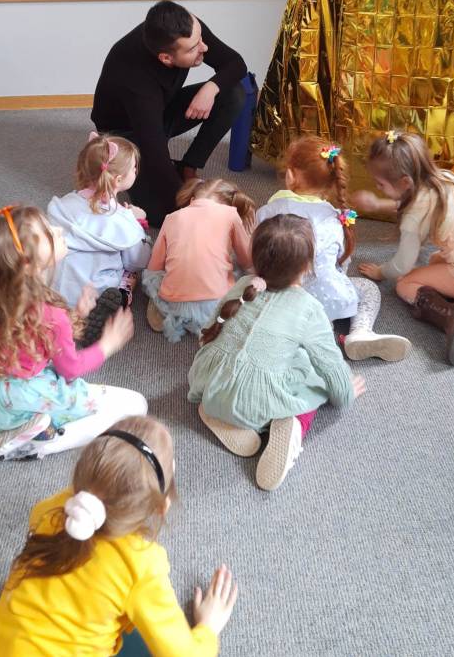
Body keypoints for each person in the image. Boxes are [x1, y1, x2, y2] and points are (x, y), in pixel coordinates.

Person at [0, 416, 239, 657]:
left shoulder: (57, 509)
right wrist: (208, 627)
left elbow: (38, 518)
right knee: (145, 642)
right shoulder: (141, 566)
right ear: (161, 508)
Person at [0, 205, 147, 462]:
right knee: (136, 406)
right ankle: (35, 442)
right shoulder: (51, 315)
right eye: (48, 232)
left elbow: (34, 336)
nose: (58, 230)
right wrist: (107, 345)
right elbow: (70, 369)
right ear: (27, 263)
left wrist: (75, 315)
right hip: (21, 398)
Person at [188, 215, 365, 492]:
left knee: (274, 354)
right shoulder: (309, 308)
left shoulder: (244, 284)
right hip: (255, 400)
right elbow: (330, 363)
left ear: (255, 255)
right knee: (311, 374)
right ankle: (294, 425)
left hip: (207, 381)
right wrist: (345, 394)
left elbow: (210, 329)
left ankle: (220, 413)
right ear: (307, 266)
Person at [353, 130, 454, 366]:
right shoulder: (446, 179)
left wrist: (380, 272)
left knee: (405, 284)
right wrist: (378, 204)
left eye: (380, 184)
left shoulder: (414, 215)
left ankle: (450, 317)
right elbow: (412, 202)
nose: (378, 188)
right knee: (434, 259)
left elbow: (401, 265)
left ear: (405, 182)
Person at [91, 0, 247, 226]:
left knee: (233, 93)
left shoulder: (187, 28)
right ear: (166, 58)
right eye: (193, 48)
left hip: (161, 109)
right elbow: (154, 150)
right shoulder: (135, 79)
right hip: (126, 132)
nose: (204, 48)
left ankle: (188, 167)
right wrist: (188, 202)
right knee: (162, 215)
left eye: (200, 39)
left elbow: (236, 63)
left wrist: (210, 88)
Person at [256, 135, 411, 362]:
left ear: (290, 175)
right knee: (368, 289)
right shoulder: (335, 218)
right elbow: (341, 262)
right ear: (331, 183)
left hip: (277, 298)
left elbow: (255, 254)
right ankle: (359, 332)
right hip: (327, 298)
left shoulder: (267, 212)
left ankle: (311, 335)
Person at [48, 134, 152, 345]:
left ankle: (63, 316)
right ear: (118, 180)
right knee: (131, 272)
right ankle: (118, 299)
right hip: (92, 293)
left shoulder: (63, 205)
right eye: (134, 168)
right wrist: (139, 223)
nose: (136, 171)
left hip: (54, 290)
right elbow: (138, 261)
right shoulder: (122, 221)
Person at [142, 178, 254, 342]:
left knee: (156, 276)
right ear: (230, 204)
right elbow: (247, 261)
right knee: (242, 272)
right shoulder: (231, 214)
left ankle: (164, 312)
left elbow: (154, 266)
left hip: (174, 300)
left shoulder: (171, 217)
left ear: (192, 200)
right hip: (217, 304)